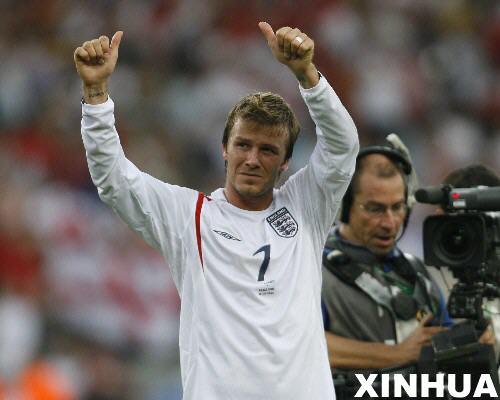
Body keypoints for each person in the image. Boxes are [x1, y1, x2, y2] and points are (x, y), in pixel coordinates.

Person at [74, 22, 359, 400]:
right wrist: (96, 95)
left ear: (286, 163)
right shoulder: (189, 217)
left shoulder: (306, 206)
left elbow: (342, 147)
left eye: (268, 150)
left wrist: (308, 75)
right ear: (225, 149)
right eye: (243, 145)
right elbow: (113, 179)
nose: (252, 159)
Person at [321, 140, 453, 375]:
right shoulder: (313, 270)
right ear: (345, 206)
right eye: (375, 209)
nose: (390, 223)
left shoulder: (418, 273)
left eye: (398, 207)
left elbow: (446, 344)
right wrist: (399, 354)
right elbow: (301, 344)